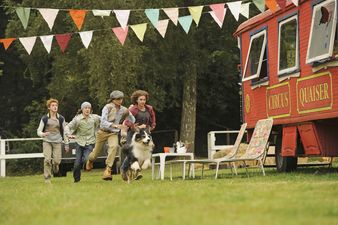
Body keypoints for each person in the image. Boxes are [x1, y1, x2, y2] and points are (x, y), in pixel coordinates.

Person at [85, 90, 134, 181]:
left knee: (114, 146)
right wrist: (115, 125)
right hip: (102, 132)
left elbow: (132, 120)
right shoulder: (107, 107)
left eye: (121, 98)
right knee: (95, 154)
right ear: (113, 99)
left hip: (113, 133)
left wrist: (130, 112)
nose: (120, 100)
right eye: (118, 99)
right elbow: (103, 122)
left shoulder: (123, 109)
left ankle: (108, 170)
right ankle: (90, 160)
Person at [121, 90, 156, 180]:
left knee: (145, 151)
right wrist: (136, 127)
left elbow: (153, 121)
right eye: (140, 99)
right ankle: (125, 169)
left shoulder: (149, 109)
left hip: (145, 134)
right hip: (133, 134)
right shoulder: (132, 110)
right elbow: (127, 121)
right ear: (136, 100)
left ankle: (136, 170)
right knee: (132, 153)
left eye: (144, 99)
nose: (143, 101)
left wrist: (150, 128)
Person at [65, 102, 100, 183]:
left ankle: (88, 164)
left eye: (89, 108)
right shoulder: (77, 119)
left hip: (90, 142)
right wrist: (68, 134)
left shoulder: (95, 118)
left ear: (90, 109)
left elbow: (104, 120)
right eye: (85, 108)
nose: (87, 109)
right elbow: (67, 126)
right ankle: (76, 180)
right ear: (82, 109)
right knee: (77, 163)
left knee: (86, 159)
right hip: (79, 143)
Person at [37, 98, 69, 183]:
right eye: (53, 105)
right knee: (47, 160)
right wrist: (43, 134)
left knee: (57, 161)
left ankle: (55, 166)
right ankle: (47, 178)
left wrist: (66, 144)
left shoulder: (61, 118)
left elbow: (65, 132)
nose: (55, 107)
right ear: (49, 107)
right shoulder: (45, 118)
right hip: (47, 141)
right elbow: (38, 131)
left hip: (57, 141)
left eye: (56, 105)